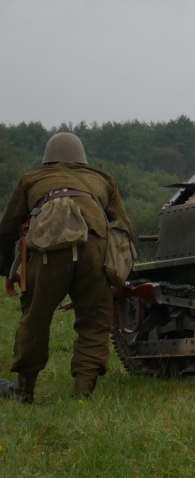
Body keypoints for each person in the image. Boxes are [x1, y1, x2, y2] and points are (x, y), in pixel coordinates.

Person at [0, 133, 133, 402]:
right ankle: (83, 391)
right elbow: (124, 227)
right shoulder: (103, 180)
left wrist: (7, 269)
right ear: (83, 160)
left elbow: (6, 228)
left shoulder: (32, 179)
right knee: (94, 321)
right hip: (95, 248)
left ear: (47, 161)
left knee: (35, 319)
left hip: (50, 251)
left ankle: (24, 390)